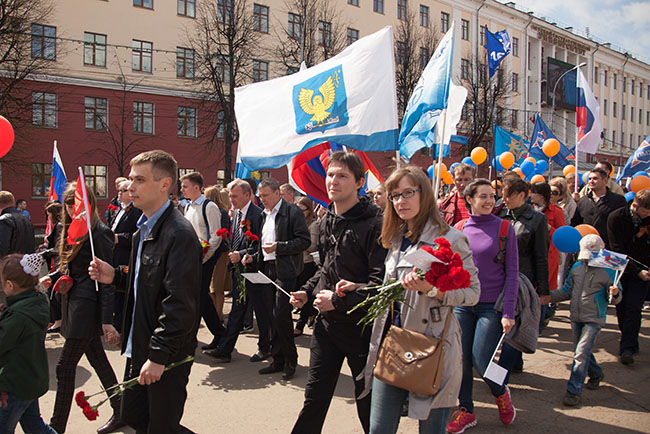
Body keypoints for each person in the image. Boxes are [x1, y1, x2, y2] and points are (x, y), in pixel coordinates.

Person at [358, 166, 480, 434]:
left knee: (431, 430)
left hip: (433, 346)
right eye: (394, 195)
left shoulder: (450, 239)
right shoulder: (395, 238)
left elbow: (472, 294)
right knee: (378, 428)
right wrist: (359, 287)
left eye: (407, 193)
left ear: (424, 194)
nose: (400, 201)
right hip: (394, 344)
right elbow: (392, 289)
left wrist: (432, 288)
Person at [88, 150, 201, 434]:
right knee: (137, 418)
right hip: (139, 345)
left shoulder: (179, 234)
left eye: (139, 180)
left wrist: (159, 356)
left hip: (166, 353)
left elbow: (179, 304)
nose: (131, 187)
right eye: (130, 179)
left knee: (161, 426)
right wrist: (116, 276)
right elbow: (148, 282)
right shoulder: (142, 230)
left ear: (164, 184)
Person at [289, 151, 387, 434]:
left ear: (360, 181)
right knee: (314, 399)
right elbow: (325, 271)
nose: (333, 181)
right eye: (331, 174)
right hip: (327, 328)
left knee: (366, 405)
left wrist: (337, 300)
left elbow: (380, 287)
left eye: (342, 175)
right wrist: (308, 293)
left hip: (362, 332)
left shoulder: (375, 223)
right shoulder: (327, 219)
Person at [41, 183, 122, 434]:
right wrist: (52, 277)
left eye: (75, 205)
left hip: (87, 308)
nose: (70, 210)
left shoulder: (99, 232)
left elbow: (106, 280)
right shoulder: (69, 230)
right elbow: (69, 267)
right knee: (99, 361)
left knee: (64, 368)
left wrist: (107, 320)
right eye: (67, 206)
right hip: (73, 303)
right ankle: (122, 410)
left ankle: (56, 428)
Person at [447, 179, 518, 433]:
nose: (489, 201)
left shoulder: (505, 229)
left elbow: (512, 274)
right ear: (470, 199)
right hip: (463, 305)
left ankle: (500, 391)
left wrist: (508, 312)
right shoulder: (459, 227)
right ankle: (466, 409)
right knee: (461, 360)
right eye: (483, 196)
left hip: (492, 306)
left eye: (492, 196)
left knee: (481, 359)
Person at [541, 234, 621, 406]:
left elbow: (615, 299)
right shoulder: (577, 267)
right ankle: (596, 373)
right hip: (576, 317)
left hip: (594, 318)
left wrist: (615, 293)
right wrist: (548, 297)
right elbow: (567, 291)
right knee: (581, 351)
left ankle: (573, 390)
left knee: (581, 353)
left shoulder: (609, 271)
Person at [244, 178, 310, 380]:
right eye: (260, 196)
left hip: (286, 271)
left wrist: (279, 247)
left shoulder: (292, 212)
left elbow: (304, 241)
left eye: (265, 196)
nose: (261, 200)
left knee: (281, 315)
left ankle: (291, 360)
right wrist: (253, 257)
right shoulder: (264, 215)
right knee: (270, 316)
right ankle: (277, 359)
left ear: (277, 194)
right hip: (266, 270)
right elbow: (263, 247)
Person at [204, 179, 267, 363]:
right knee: (237, 310)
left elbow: (262, 246)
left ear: (247, 195)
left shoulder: (257, 215)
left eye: (235, 196)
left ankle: (265, 347)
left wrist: (241, 253)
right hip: (240, 271)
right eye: (230, 195)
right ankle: (225, 349)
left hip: (255, 271)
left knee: (262, 311)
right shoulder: (237, 214)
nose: (231, 199)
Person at [0, 254, 56, 434]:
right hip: (30, 378)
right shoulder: (37, 300)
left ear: (10, 284)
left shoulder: (17, 316)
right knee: (36, 427)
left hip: (14, 383)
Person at [498, 177, 549, 374]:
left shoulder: (537, 220)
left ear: (521, 195)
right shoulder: (501, 214)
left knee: (513, 325)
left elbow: (541, 256)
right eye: (503, 195)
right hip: (500, 277)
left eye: (508, 196)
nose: (505, 200)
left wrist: (543, 289)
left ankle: (501, 375)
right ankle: (515, 363)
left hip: (523, 280)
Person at [180, 172, 225, 351]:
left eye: (185, 186)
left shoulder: (209, 206)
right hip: (190, 259)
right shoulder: (188, 207)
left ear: (196, 187)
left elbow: (216, 235)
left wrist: (203, 256)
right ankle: (217, 333)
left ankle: (215, 333)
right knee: (198, 297)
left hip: (205, 259)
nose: (181, 189)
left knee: (199, 296)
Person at [607, 189, 650, 365]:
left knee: (634, 306)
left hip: (644, 270)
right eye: (646, 212)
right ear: (635, 206)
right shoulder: (616, 218)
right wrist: (636, 269)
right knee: (622, 307)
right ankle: (629, 339)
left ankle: (627, 347)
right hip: (622, 268)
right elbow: (617, 250)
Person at [110, 180, 142, 332]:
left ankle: (122, 323)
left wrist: (119, 238)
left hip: (127, 255)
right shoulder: (118, 209)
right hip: (116, 254)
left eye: (123, 190)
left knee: (123, 291)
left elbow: (139, 234)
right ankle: (116, 319)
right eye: (119, 190)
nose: (119, 193)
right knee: (115, 289)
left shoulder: (136, 211)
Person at [571, 168, 626, 248]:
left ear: (605, 180)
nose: (591, 181)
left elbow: (623, 225)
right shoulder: (583, 201)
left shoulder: (617, 201)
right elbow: (576, 223)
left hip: (608, 249)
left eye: (595, 178)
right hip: (585, 248)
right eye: (589, 179)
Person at [530, 182, 566, 292]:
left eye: (533, 193)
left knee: (546, 288)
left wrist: (549, 229)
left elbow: (562, 236)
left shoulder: (556, 212)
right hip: (531, 253)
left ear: (541, 195)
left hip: (549, 254)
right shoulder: (529, 210)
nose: (530, 195)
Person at [205, 185, 232, 319]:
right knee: (211, 287)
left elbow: (223, 235)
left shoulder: (222, 212)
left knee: (218, 286)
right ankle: (213, 313)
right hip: (210, 251)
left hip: (220, 253)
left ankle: (218, 313)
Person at [293, 197, 319, 336]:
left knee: (305, 295)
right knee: (296, 292)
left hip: (308, 263)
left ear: (309, 210)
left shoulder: (313, 225)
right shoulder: (296, 222)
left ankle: (300, 325)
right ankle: (312, 312)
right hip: (295, 262)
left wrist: (299, 242)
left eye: (301, 210)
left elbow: (313, 245)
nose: (298, 212)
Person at [43, 202, 64, 333]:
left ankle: (58, 322)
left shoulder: (60, 226)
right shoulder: (59, 225)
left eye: (49, 214)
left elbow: (58, 247)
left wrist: (45, 252)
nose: (48, 217)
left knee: (54, 292)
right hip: (55, 262)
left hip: (58, 263)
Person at [0, 191, 35, 259]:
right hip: (26, 264)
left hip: (9, 264)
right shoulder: (26, 219)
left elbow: (2, 247)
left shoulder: (3, 220)